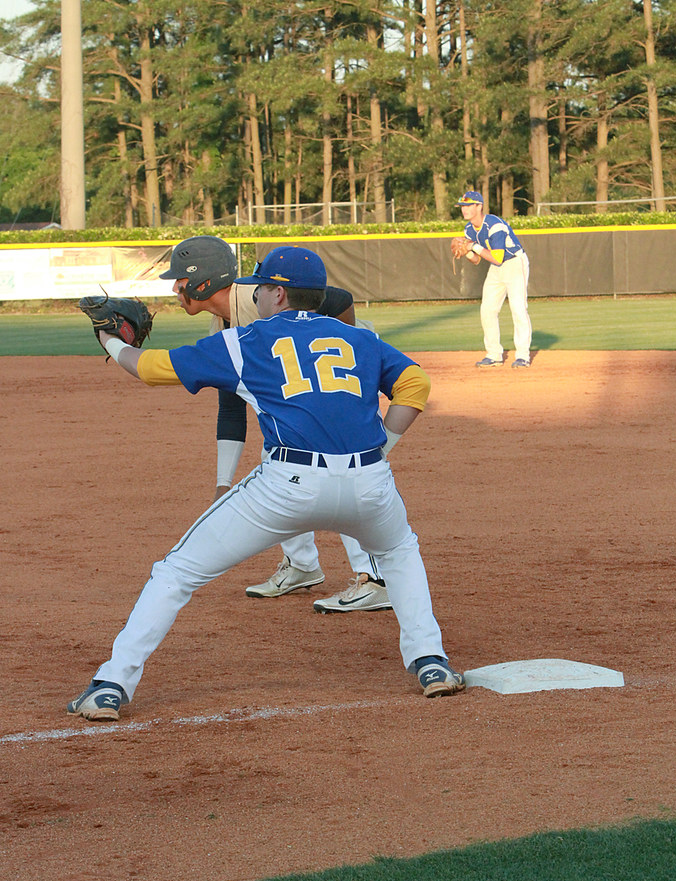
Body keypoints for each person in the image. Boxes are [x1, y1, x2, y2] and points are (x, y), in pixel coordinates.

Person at [67, 246, 464, 721]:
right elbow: (416, 384)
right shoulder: (362, 338)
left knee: (176, 572)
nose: (254, 295)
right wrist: (382, 448)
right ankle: (431, 662)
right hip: (369, 483)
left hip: (287, 487)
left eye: (260, 287)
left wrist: (110, 339)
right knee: (399, 553)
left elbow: (149, 368)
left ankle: (111, 684)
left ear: (278, 294)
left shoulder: (245, 340)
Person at [159, 236, 392, 615]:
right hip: (309, 385)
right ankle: (302, 565)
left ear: (203, 282)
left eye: (180, 280)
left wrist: (345, 347)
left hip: (342, 378)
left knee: (336, 466)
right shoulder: (222, 326)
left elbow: (340, 299)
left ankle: (375, 579)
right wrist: (222, 484)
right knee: (280, 461)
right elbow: (231, 407)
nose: (175, 289)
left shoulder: (256, 298)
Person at [451, 190, 532, 368]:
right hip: (496, 268)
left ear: (479, 206)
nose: (464, 209)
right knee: (487, 310)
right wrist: (466, 252)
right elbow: (476, 260)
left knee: (518, 308)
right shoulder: (469, 229)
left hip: (514, 263)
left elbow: (498, 258)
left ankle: (523, 356)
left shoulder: (494, 225)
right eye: (462, 206)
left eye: (468, 205)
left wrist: (472, 246)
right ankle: (494, 355)